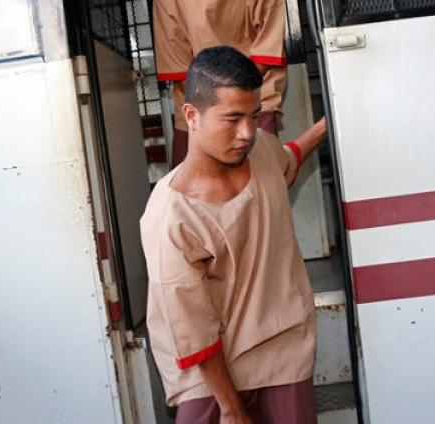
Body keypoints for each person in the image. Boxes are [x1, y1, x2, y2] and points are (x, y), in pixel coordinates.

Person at [140, 46, 327, 423]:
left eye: (254, 116)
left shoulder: (262, 152)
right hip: (207, 377)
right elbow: (191, 330)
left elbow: (289, 158)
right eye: (232, 118)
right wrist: (230, 408)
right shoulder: (171, 214)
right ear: (191, 115)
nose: (246, 133)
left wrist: (328, 124)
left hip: (282, 354)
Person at [153, 0, 289, 167]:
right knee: (192, 186)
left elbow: (267, 49)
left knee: (262, 178)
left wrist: (225, 102)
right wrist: (219, 106)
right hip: (199, 107)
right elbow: (180, 68)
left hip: (252, 101)